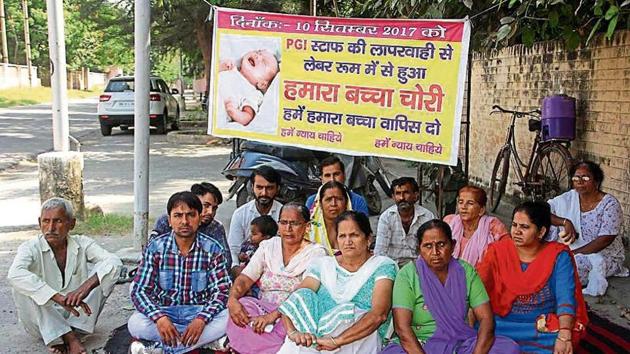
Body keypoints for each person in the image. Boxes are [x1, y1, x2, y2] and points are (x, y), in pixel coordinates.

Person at [381, 219, 519, 354]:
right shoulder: (407, 275)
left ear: (452, 245)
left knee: (508, 348)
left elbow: (486, 319)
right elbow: (402, 328)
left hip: (459, 342)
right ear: (419, 249)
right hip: (420, 342)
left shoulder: (466, 271)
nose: (435, 252)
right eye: (428, 246)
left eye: (441, 244)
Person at [8, 197, 122, 354]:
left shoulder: (83, 243)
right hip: (40, 322)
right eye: (46, 221)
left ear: (72, 224)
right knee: (23, 283)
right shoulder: (30, 247)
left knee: (107, 273)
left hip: (77, 319)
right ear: (39, 222)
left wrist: (85, 287)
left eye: (58, 221)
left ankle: (66, 336)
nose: (51, 227)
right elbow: (15, 274)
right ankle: (69, 338)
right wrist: (56, 297)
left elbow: (114, 261)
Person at [277, 211, 397, 354]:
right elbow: (294, 302)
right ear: (336, 241)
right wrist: (292, 333)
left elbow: (379, 314)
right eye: (342, 236)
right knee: (303, 294)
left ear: (368, 239)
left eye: (354, 235)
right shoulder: (323, 265)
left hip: (358, 339)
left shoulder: (382, 266)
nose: (348, 241)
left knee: (349, 311)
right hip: (315, 341)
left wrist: (337, 341)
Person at [476, 201, 589, 354]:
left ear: (541, 232)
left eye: (525, 227)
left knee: (567, 334)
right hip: (501, 323)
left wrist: (564, 335)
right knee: (477, 328)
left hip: (539, 326)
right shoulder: (498, 251)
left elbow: (565, 298)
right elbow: (478, 288)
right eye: (514, 225)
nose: (516, 231)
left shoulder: (558, 256)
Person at [128, 191, 231, 354]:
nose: (184, 221)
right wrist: (159, 318)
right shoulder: (155, 248)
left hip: (199, 310)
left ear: (198, 218)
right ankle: (203, 342)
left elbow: (222, 292)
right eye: (178, 215)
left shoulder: (212, 249)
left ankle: (161, 348)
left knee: (228, 318)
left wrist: (201, 319)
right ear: (169, 220)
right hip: (165, 311)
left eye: (191, 215)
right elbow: (139, 290)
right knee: (136, 323)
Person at [226, 203, 327, 354]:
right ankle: (272, 347)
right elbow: (245, 278)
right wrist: (232, 300)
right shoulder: (268, 246)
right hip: (262, 311)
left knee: (294, 327)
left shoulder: (316, 253)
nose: (288, 228)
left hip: (291, 314)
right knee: (242, 305)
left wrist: (272, 316)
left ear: (307, 226)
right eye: (284, 222)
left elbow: (303, 294)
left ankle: (253, 346)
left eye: (294, 223)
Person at [547, 160, 627, 296]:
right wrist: (565, 222)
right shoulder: (569, 198)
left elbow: (605, 240)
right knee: (546, 260)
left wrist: (572, 254)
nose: (580, 181)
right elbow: (541, 213)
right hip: (573, 250)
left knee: (566, 268)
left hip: (603, 256)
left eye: (585, 178)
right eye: (576, 178)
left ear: (596, 181)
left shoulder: (609, 205)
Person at [152, 182, 231, 266]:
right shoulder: (166, 221)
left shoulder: (216, 227)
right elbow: (150, 252)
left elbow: (226, 261)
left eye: (214, 208)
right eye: (206, 206)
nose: (210, 212)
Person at [228, 165, 283, 271]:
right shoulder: (240, 214)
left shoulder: (283, 213)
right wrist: (236, 269)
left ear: (277, 189)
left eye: (269, 188)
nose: (264, 193)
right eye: (259, 187)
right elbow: (233, 250)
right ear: (252, 187)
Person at [374, 177, 435, 267]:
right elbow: (380, 252)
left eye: (406, 193)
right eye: (398, 194)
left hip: (419, 265)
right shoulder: (386, 217)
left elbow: (430, 248)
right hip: (392, 265)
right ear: (393, 197)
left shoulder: (427, 216)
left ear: (415, 195)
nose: (402, 198)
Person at [443, 185, 508, 266]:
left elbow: (507, 255)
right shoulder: (449, 222)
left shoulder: (494, 227)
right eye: (460, 202)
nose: (463, 207)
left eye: (470, 203)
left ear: (481, 210)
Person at [218, 49, 279, 126]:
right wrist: (220, 67)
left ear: (262, 84)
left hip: (221, 108)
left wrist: (234, 112)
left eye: (264, 63)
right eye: (258, 52)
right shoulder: (231, 67)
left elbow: (247, 117)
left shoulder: (254, 94)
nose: (258, 56)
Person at [237, 215, 278, 298]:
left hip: (259, 282)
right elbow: (242, 254)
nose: (250, 236)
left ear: (267, 237)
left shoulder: (271, 250)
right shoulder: (249, 245)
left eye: (254, 234)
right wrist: (241, 257)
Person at [309, 181, 352, 254]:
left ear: (346, 202)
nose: (333, 204)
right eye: (328, 199)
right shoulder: (309, 231)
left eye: (338, 199)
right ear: (320, 204)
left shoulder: (356, 229)